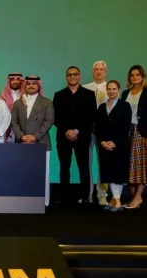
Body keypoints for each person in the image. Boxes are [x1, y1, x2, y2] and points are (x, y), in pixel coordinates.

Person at [53, 66, 97, 205]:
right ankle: (64, 196)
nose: (72, 77)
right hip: (63, 136)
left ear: (80, 76)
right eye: (70, 74)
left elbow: (91, 117)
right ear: (66, 77)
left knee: (83, 167)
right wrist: (67, 131)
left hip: (82, 137)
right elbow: (55, 117)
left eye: (75, 74)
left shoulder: (89, 94)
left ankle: (85, 197)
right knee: (64, 167)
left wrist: (77, 131)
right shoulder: (59, 95)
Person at [10, 75, 54, 206]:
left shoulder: (47, 102)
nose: (31, 86)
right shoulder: (18, 103)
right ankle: (23, 201)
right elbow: (14, 121)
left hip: (41, 143)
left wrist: (35, 136)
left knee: (42, 173)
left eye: (34, 84)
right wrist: (21, 136)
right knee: (22, 173)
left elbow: (49, 121)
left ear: (38, 86)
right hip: (22, 143)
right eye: (28, 84)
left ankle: (44, 201)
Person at [121, 64, 147, 209]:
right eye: (132, 75)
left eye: (137, 74)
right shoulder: (125, 93)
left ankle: (137, 198)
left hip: (141, 132)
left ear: (143, 76)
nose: (135, 77)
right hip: (127, 132)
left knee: (142, 167)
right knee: (128, 167)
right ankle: (135, 198)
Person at [95, 80, 132, 212]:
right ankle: (114, 200)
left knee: (118, 172)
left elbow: (126, 127)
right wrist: (102, 141)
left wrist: (115, 142)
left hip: (119, 145)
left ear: (119, 90)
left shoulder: (125, 106)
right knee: (108, 172)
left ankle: (117, 201)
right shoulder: (101, 107)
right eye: (109, 89)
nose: (111, 91)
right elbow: (98, 127)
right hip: (105, 145)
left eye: (114, 89)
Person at [83, 60, 109, 205]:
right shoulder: (85, 88)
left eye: (101, 69)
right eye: (96, 69)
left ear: (105, 72)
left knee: (103, 163)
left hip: (104, 132)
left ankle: (102, 195)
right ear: (93, 72)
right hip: (88, 131)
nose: (99, 72)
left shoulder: (111, 88)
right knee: (86, 163)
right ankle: (87, 194)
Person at [0, 72, 24, 142]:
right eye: (12, 80)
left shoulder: (25, 94)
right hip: (7, 126)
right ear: (9, 81)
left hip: (22, 127)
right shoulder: (3, 95)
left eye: (17, 79)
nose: (15, 82)